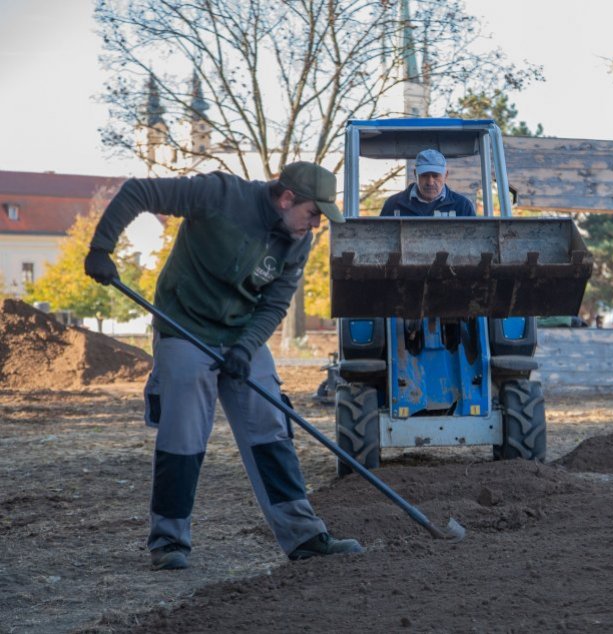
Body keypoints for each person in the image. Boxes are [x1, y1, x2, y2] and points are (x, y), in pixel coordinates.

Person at [83, 162, 365, 570]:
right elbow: (139, 191)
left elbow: (275, 304)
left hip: (239, 337)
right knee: (184, 431)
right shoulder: (218, 195)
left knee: (271, 422)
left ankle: (304, 536)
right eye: (313, 212)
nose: (317, 224)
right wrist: (101, 247)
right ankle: (168, 541)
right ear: (287, 198)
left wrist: (246, 348)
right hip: (184, 327)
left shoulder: (297, 240)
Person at [380, 148, 476, 217]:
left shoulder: (462, 207)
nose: (430, 182)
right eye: (424, 175)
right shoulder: (393, 205)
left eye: (435, 176)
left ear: (445, 175)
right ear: (415, 174)